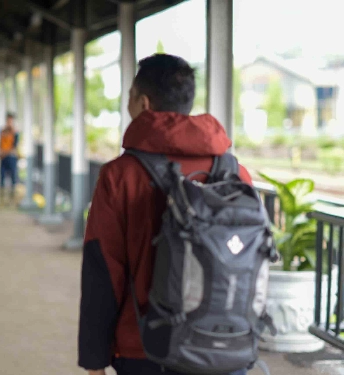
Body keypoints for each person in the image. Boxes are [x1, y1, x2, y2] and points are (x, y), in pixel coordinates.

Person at [77, 54, 251, 375]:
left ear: (143, 103)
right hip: (224, 347)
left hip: (145, 348)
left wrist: (94, 359)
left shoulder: (120, 175)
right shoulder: (235, 172)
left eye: (128, 97)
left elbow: (102, 269)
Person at [0, 112, 19, 205]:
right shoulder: (2, 131)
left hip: (11, 157)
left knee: (13, 177)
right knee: (2, 177)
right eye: (8, 120)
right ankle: (2, 200)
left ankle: (12, 200)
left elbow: (14, 147)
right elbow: (0, 144)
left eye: (11, 120)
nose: (9, 122)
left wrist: (4, 153)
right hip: (3, 158)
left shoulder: (15, 133)